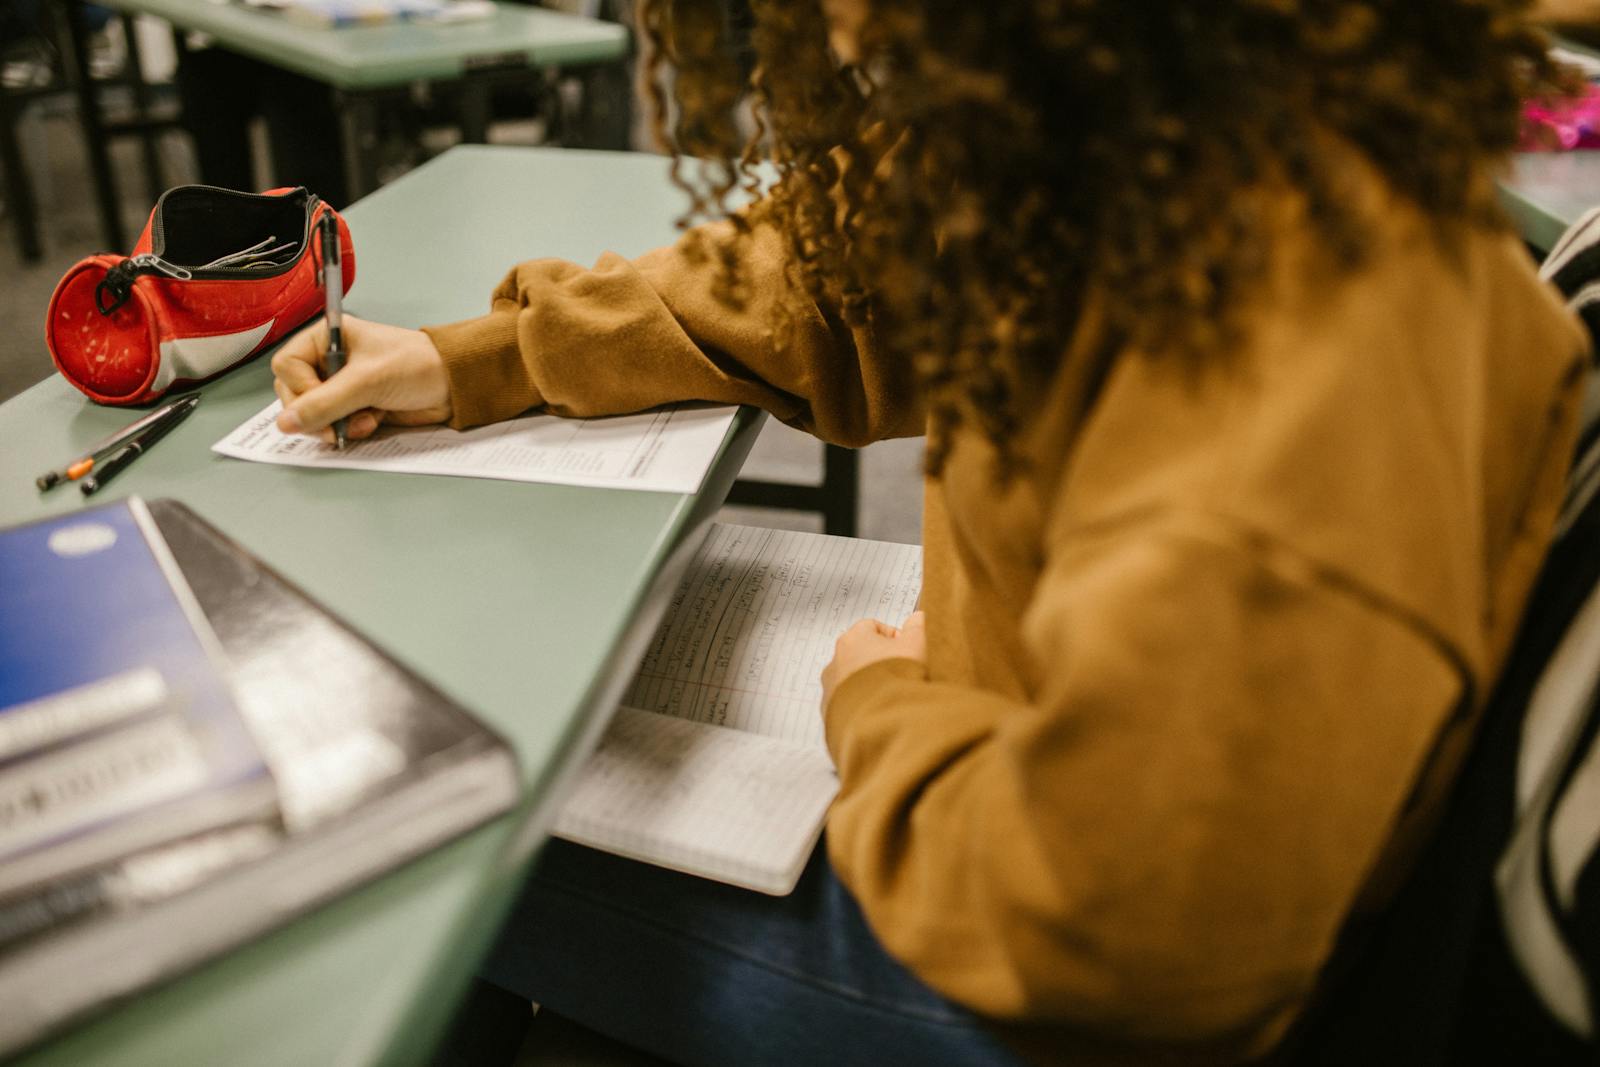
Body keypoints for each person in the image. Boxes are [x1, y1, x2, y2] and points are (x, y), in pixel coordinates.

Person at [270, 2, 1592, 1063]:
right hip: (1006, 759)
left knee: (403, 843)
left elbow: (1132, 946)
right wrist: (485, 359)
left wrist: (883, 711)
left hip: (1056, 981)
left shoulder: (1306, 337)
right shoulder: (1129, 107)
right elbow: (851, 275)